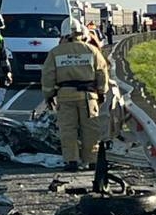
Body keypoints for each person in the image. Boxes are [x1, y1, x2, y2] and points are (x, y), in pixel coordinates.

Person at [41, 16, 110, 173]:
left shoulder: (55, 53)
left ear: (63, 34)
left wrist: (49, 95)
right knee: (91, 130)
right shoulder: (91, 50)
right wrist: (102, 92)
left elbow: (48, 76)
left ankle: (71, 161)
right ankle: (92, 161)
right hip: (88, 98)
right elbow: (102, 72)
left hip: (65, 97)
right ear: (80, 32)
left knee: (68, 130)